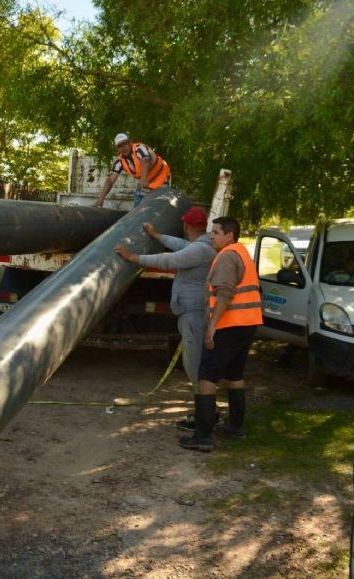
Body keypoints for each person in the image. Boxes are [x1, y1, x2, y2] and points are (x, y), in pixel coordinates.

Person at [114, 206, 217, 400]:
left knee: (194, 366)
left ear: (186, 225)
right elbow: (181, 245)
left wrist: (132, 257)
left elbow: (169, 261)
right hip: (194, 310)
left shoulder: (200, 249)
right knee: (194, 362)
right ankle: (204, 414)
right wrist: (158, 236)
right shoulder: (203, 245)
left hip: (193, 313)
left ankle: (205, 417)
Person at [179, 216, 263, 452]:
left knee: (207, 376)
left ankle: (203, 437)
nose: (211, 237)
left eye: (216, 232)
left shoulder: (226, 256)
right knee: (235, 375)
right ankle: (235, 427)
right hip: (247, 323)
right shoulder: (242, 252)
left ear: (229, 235)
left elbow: (225, 292)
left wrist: (212, 325)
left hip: (228, 324)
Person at [93, 133, 171, 208]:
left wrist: (143, 179)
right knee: (137, 209)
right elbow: (110, 180)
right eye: (120, 146)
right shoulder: (120, 162)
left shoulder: (140, 148)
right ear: (117, 149)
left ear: (130, 142)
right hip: (145, 182)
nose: (123, 147)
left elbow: (145, 160)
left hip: (160, 179)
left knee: (157, 208)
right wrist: (101, 199)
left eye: (125, 143)